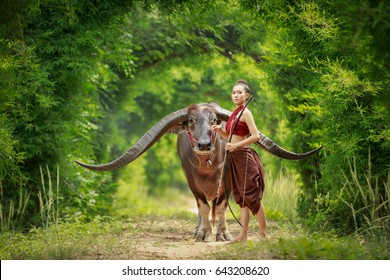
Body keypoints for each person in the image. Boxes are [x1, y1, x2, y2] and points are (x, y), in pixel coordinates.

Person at [212, 80, 267, 243]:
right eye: (234, 92)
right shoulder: (235, 113)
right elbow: (228, 136)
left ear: (246, 95)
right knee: (242, 198)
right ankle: (243, 236)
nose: (236, 95)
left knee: (252, 197)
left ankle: (263, 234)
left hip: (244, 156)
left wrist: (235, 145)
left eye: (240, 92)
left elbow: (256, 136)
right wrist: (220, 130)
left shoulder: (246, 113)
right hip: (234, 158)